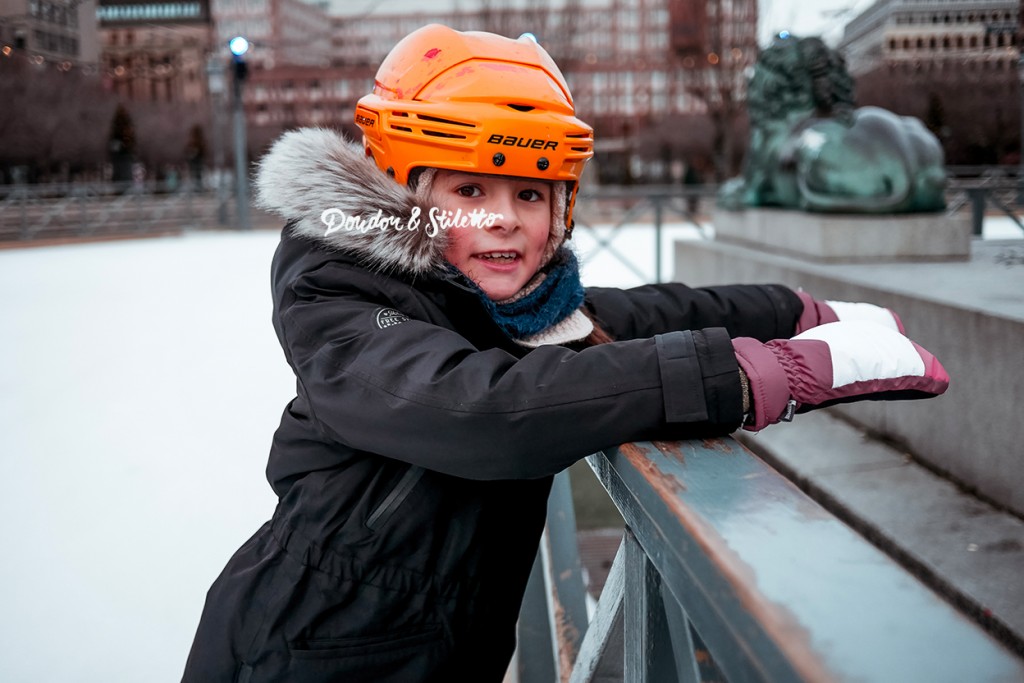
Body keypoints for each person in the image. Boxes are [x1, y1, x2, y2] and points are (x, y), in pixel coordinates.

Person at [182, 24, 948, 683]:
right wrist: (747, 377)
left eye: (530, 194)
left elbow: (639, 314)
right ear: (404, 189)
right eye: (470, 192)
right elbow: (483, 407)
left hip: (442, 652)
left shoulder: (498, 302)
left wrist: (798, 311)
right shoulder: (341, 296)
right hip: (304, 650)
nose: (505, 221)